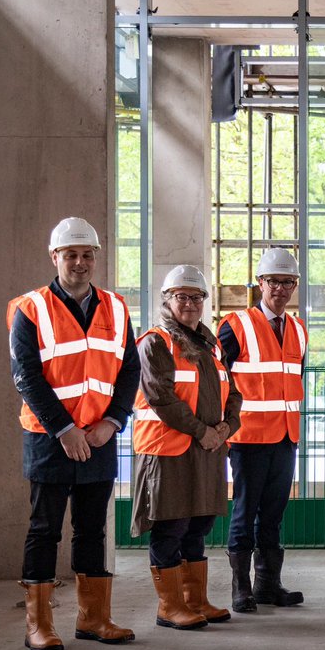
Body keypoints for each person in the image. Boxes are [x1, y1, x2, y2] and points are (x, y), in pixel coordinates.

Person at [7, 217, 139, 650]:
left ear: (96, 258)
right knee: (45, 529)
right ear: (54, 257)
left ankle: (93, 618)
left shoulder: (117, 309)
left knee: (91, 530)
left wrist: (112, 422)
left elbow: (129, 372)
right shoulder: (31, 308)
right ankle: (38, 625)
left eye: (86, 255)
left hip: (99, 438)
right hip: (50, 438)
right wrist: (65, 430)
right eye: (71, 255)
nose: (79, 263)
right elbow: (26, 376)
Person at [133, 266, 241, 630]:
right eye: (182, 296)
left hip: (206, 450)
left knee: (199, 525)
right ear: (167, 299)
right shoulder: (156, 342)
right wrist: (202, 432)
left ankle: (196, 600)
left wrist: (228, 425)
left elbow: (233, 391)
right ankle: (170, 607)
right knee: (171, 526)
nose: (191, 304)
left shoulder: (211, 345)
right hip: (168, 451)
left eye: (197, 297)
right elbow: (161, 397)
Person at [218, 247, 307, 613]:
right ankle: (241, 589)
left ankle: (269, 584)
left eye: (288, 282)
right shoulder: (234, 326)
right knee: (245, 510)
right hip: (248, 438)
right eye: (274, 281)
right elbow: (219, 380)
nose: (281, 289)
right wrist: (223, 429)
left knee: (273, 513)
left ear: (295, 285)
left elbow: (295, 379)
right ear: (260, 283)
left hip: (286, 436)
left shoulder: (299, 329)